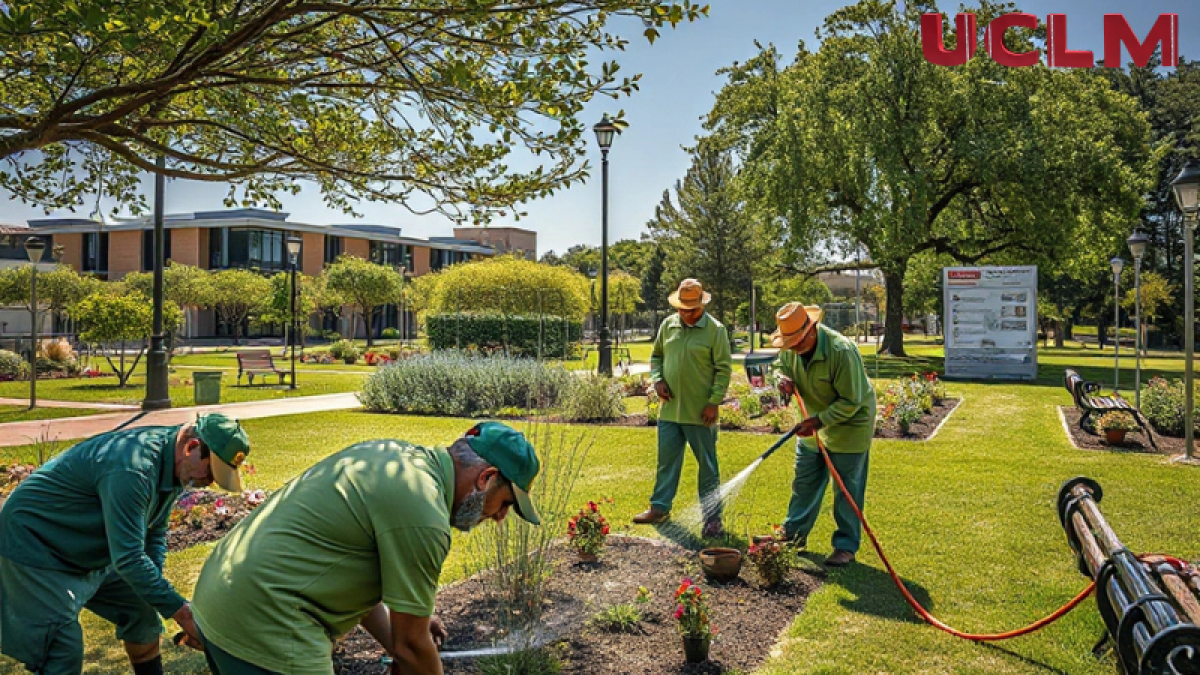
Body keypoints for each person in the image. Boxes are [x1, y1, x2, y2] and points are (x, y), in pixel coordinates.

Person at [191, 421, 542, 675]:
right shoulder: (424, 514)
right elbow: (412, 647)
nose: (499, 518)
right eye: (506, 503)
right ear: (485, 479)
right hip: (266, 622)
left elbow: (356, 577)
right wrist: (408, 645)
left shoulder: (396, 459)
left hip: (223, 600)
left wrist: (401, 638)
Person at [0, 414, 251, 675]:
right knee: (61, 648)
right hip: (36, 544)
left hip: (89, 549)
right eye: (210, 471)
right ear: (191, 448)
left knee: (142, 615)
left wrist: (154, 591)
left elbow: (154, 532)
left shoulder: (176, 467)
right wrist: (184, 614)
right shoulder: (134, 468)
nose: (209, 482)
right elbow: (128, 558)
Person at [770, 302, 876, 567]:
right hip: (811, 422)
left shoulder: (841, 351)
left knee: (846, 489)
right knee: (804, 482)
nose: (792, 347)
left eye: (796, 340)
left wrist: (820, 421)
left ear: (812, 329)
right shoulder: (790, 351)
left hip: (850, 425)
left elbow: (851, 401)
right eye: (788, 342)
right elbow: (777, 367)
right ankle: (793, 536)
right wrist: (780, 379)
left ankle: (845, 546)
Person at [634, 278, 732, 538]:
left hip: (701, 413)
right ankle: (659, 508)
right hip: (669, 412)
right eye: (682, 308)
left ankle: (712, 520)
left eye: (691, 309)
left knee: (708, 466)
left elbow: (723, 369)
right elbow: (656, 357)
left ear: (701, 306)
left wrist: (713, 402)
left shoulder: (715, 330)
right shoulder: (668, 325)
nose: (686, 314)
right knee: (666, 462)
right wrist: (657, 380)